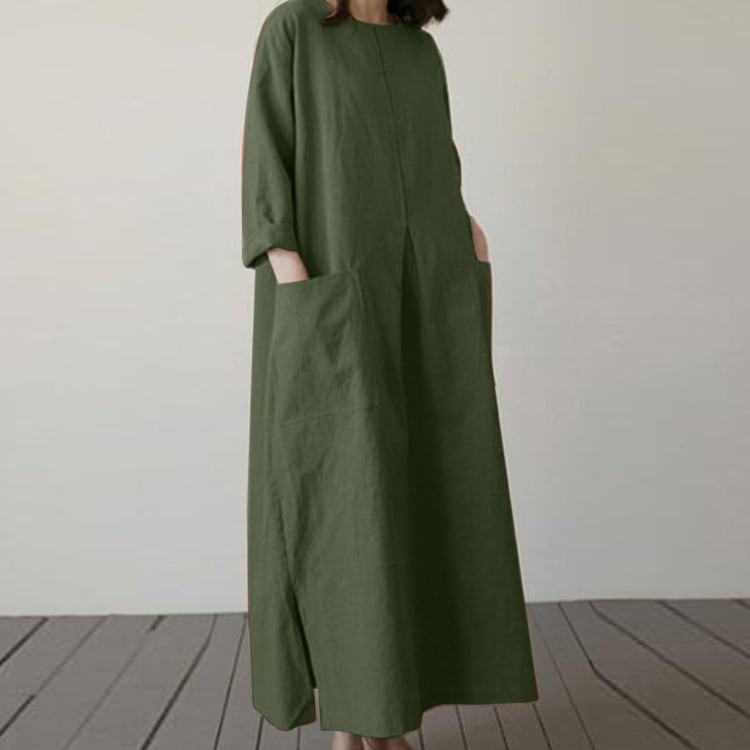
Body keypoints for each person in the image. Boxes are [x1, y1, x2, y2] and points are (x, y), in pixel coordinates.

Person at [240, 1, 539, 748]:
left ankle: (389, 718)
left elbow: (438, 161)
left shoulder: (419, 53)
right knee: (345, 494)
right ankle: (354, 718)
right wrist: (288, 266)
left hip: (431, 286)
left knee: (431, 488)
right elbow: (267, 150)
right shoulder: (295, 28)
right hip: (331, 286)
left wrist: (469, 239)